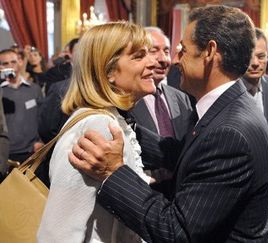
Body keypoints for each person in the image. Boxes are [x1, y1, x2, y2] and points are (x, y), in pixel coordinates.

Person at [69, 5, 268, 242]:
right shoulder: (230, 105)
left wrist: (113, 172)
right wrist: (125, 130)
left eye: (182, 50)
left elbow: (175, 231)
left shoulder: (229, 131)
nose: (173, 59)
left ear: (209, 52)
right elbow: (186, 154)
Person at [37, 22, 156, 243]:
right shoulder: (97, 125)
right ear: (109, 71)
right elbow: (58, 233)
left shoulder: (111, 118)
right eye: (139, 56)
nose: (153, 62)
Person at [129, 26, 194, 196]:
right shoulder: (126, 99)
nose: (163, 59)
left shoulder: (181, 97)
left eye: (166, 51)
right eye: (154, 51)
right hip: (140, 194)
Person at [0, 49, 44, 163]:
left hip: (31, 152)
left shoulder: (34, 89)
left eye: (13, 62)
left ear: (20, 62)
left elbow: (42, 117)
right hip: (5, 154)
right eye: (5, 63)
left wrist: (40, 140)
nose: (10, 66)